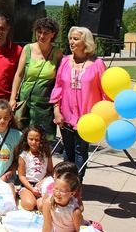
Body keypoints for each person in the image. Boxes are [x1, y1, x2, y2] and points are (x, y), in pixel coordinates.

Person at [50, 26, 107, 180]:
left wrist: (103, 116)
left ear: (86, 42)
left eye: (75, 39)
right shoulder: (65, 61)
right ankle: (65, 184)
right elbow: (58, 87)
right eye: (70, 38)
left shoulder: (97, 64)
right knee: (67, 151)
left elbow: (105, 91)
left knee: (80, 150)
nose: (71, 42)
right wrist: (57, 111)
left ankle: (76, 185)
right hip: (66, 116)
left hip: (87, 118)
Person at [10, 17, 63, 141]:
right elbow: (19, 74)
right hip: (25, 103)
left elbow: (59, 82)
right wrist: (13, 98)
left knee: (42, 141)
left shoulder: (57, 54)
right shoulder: (27, 49)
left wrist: (57, 107)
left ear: (53, 34)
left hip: (44, 107)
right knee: (22, 138)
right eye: (39, 31)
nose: (41, 35)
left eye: (46, 33)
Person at [16, 125, 54, 211]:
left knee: (42, 206)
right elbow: (21, 176)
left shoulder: (46, 154)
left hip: (43, 185)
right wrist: (32, 189)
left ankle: (38, 201)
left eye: (37, 140)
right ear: (26, 139)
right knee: (29, 205)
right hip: (28, 185)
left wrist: (43, 181)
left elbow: (51, 171)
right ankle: (22, 195)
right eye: (31, 139)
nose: (33, 142)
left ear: (41, 140)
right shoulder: (23, 155)